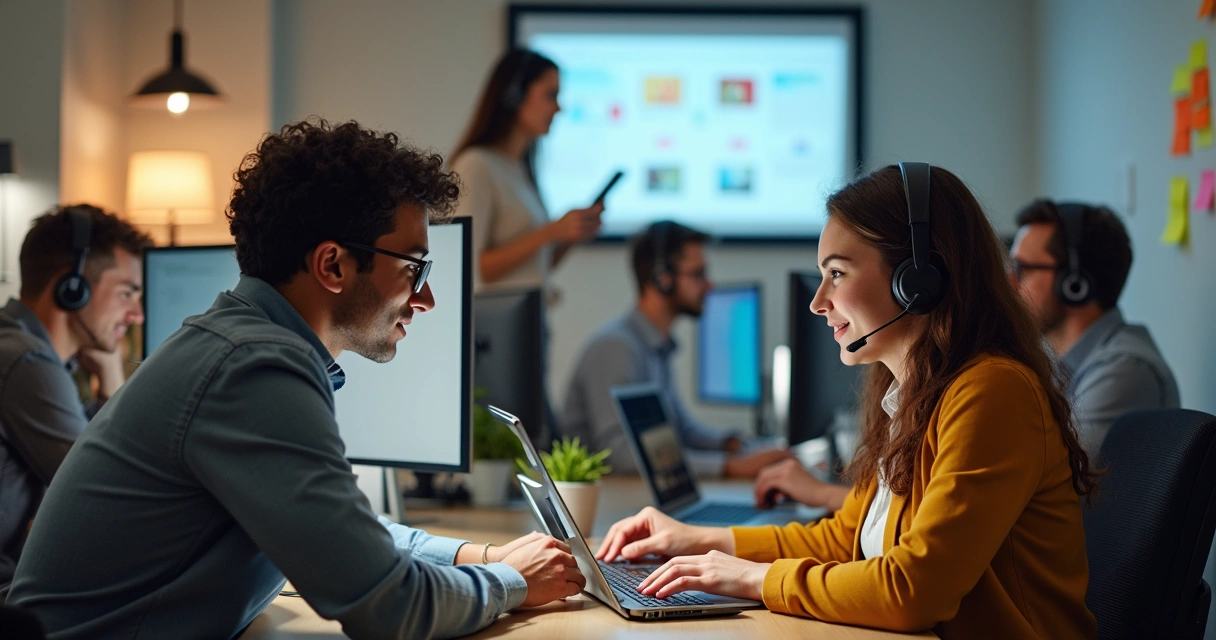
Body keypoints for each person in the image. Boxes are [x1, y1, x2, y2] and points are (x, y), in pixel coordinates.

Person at [8, 120, 584, 639]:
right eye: (413, 269)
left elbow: (342, 534)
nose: (426, 299)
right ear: (332, 264)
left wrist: (476, 555)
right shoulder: (253, 368)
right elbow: (390, 606)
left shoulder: (239, 342)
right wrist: (510, 581)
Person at [594, 164, 1098, 639]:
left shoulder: (992, 392)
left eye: (837, 273)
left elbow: (914, 591)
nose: (818, 301)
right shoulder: (913, 397)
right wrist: (701, 542)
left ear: (917, 281)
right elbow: (845, 538)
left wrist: (751, 580)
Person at [450, 48, 602, 447]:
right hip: (495, 348)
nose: (559, 107)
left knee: (539, 442)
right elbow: (473, 267)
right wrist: (550, 231)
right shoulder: (476, 166)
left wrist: (566, 237)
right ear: (515, 96)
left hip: (528, 334)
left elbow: (534, 263)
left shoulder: (519, 169)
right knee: (525, 448)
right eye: (550, 94)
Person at [562, 221, 791, 479]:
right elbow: (623, 454)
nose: (709, 286)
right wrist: (729, 467)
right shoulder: (616, 348)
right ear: (662, 278)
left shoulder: (657, 346)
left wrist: (733, 443)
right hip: (609, 503)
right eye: (698, 274)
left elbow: (681, 431)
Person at [0, 204, 150, 595]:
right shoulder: (25, 362)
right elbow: (110, 493)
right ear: (72, 288)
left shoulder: (36, 357)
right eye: (126, 294)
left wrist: (111, 373)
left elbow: (106, 454)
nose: (137, 315)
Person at [1009, 199, 1179, 459]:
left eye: (1021, 269)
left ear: (1074, 284)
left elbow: (1061, 483)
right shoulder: (1057, 365)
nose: (1011, 283)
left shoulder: (1125, 369)